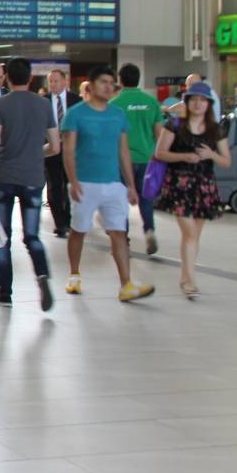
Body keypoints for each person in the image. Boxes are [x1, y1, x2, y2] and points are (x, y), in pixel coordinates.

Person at [61, 65, 153, 302]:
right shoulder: (76, 114)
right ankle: (74, 274)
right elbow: (68, 151)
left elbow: (123, 152)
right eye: (103, 82)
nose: (108, 87)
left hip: (113, 184)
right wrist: (72, 181)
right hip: (85, 183)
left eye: (111, 83)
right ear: (90, 86)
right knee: (79, 230)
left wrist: (131, 185)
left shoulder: (117, 114)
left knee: (119, 232)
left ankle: (126, 284)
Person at [0, 58, 58, 311]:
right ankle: (43, 275)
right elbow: (55, 146)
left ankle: (5, 293)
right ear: (30, 78)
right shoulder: (44, 105)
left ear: (7, 79)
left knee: (3, 237)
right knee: (32, 236)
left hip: (4, 176)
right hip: (34, 178)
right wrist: (37, 153)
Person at [153, 81, 231, 298]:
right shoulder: (175, 125)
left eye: (202, 100)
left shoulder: (216, 130)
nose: (198, 104)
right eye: (194, 99)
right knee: (189, 233)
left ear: (208, 104)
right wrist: (184, 156)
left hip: (204, 186)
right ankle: (191, 281)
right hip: (179, 185)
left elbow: (226, 161)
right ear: (187, 102)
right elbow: (160, 153)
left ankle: (185, 276)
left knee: (193, 235)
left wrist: (211, 155)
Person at [110, 63, 164, 255]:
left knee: (120, 200)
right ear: (138, 78)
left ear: (120, 80)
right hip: (147, 159)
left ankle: (123, 239)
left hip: (122, 161)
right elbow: (160, 133)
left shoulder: (114, 104)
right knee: (146, 200)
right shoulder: (151, 102)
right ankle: (149, 231)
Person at [44, 68, 80, 239]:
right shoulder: (43, 101)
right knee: (54, 187)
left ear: (65, 82)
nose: (52, 84)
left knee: (70, 185)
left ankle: (70, 219)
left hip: (72, 150)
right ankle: (60, 224)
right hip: (50, 151)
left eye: (56, 81)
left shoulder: (77, 101)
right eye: (50, 81)